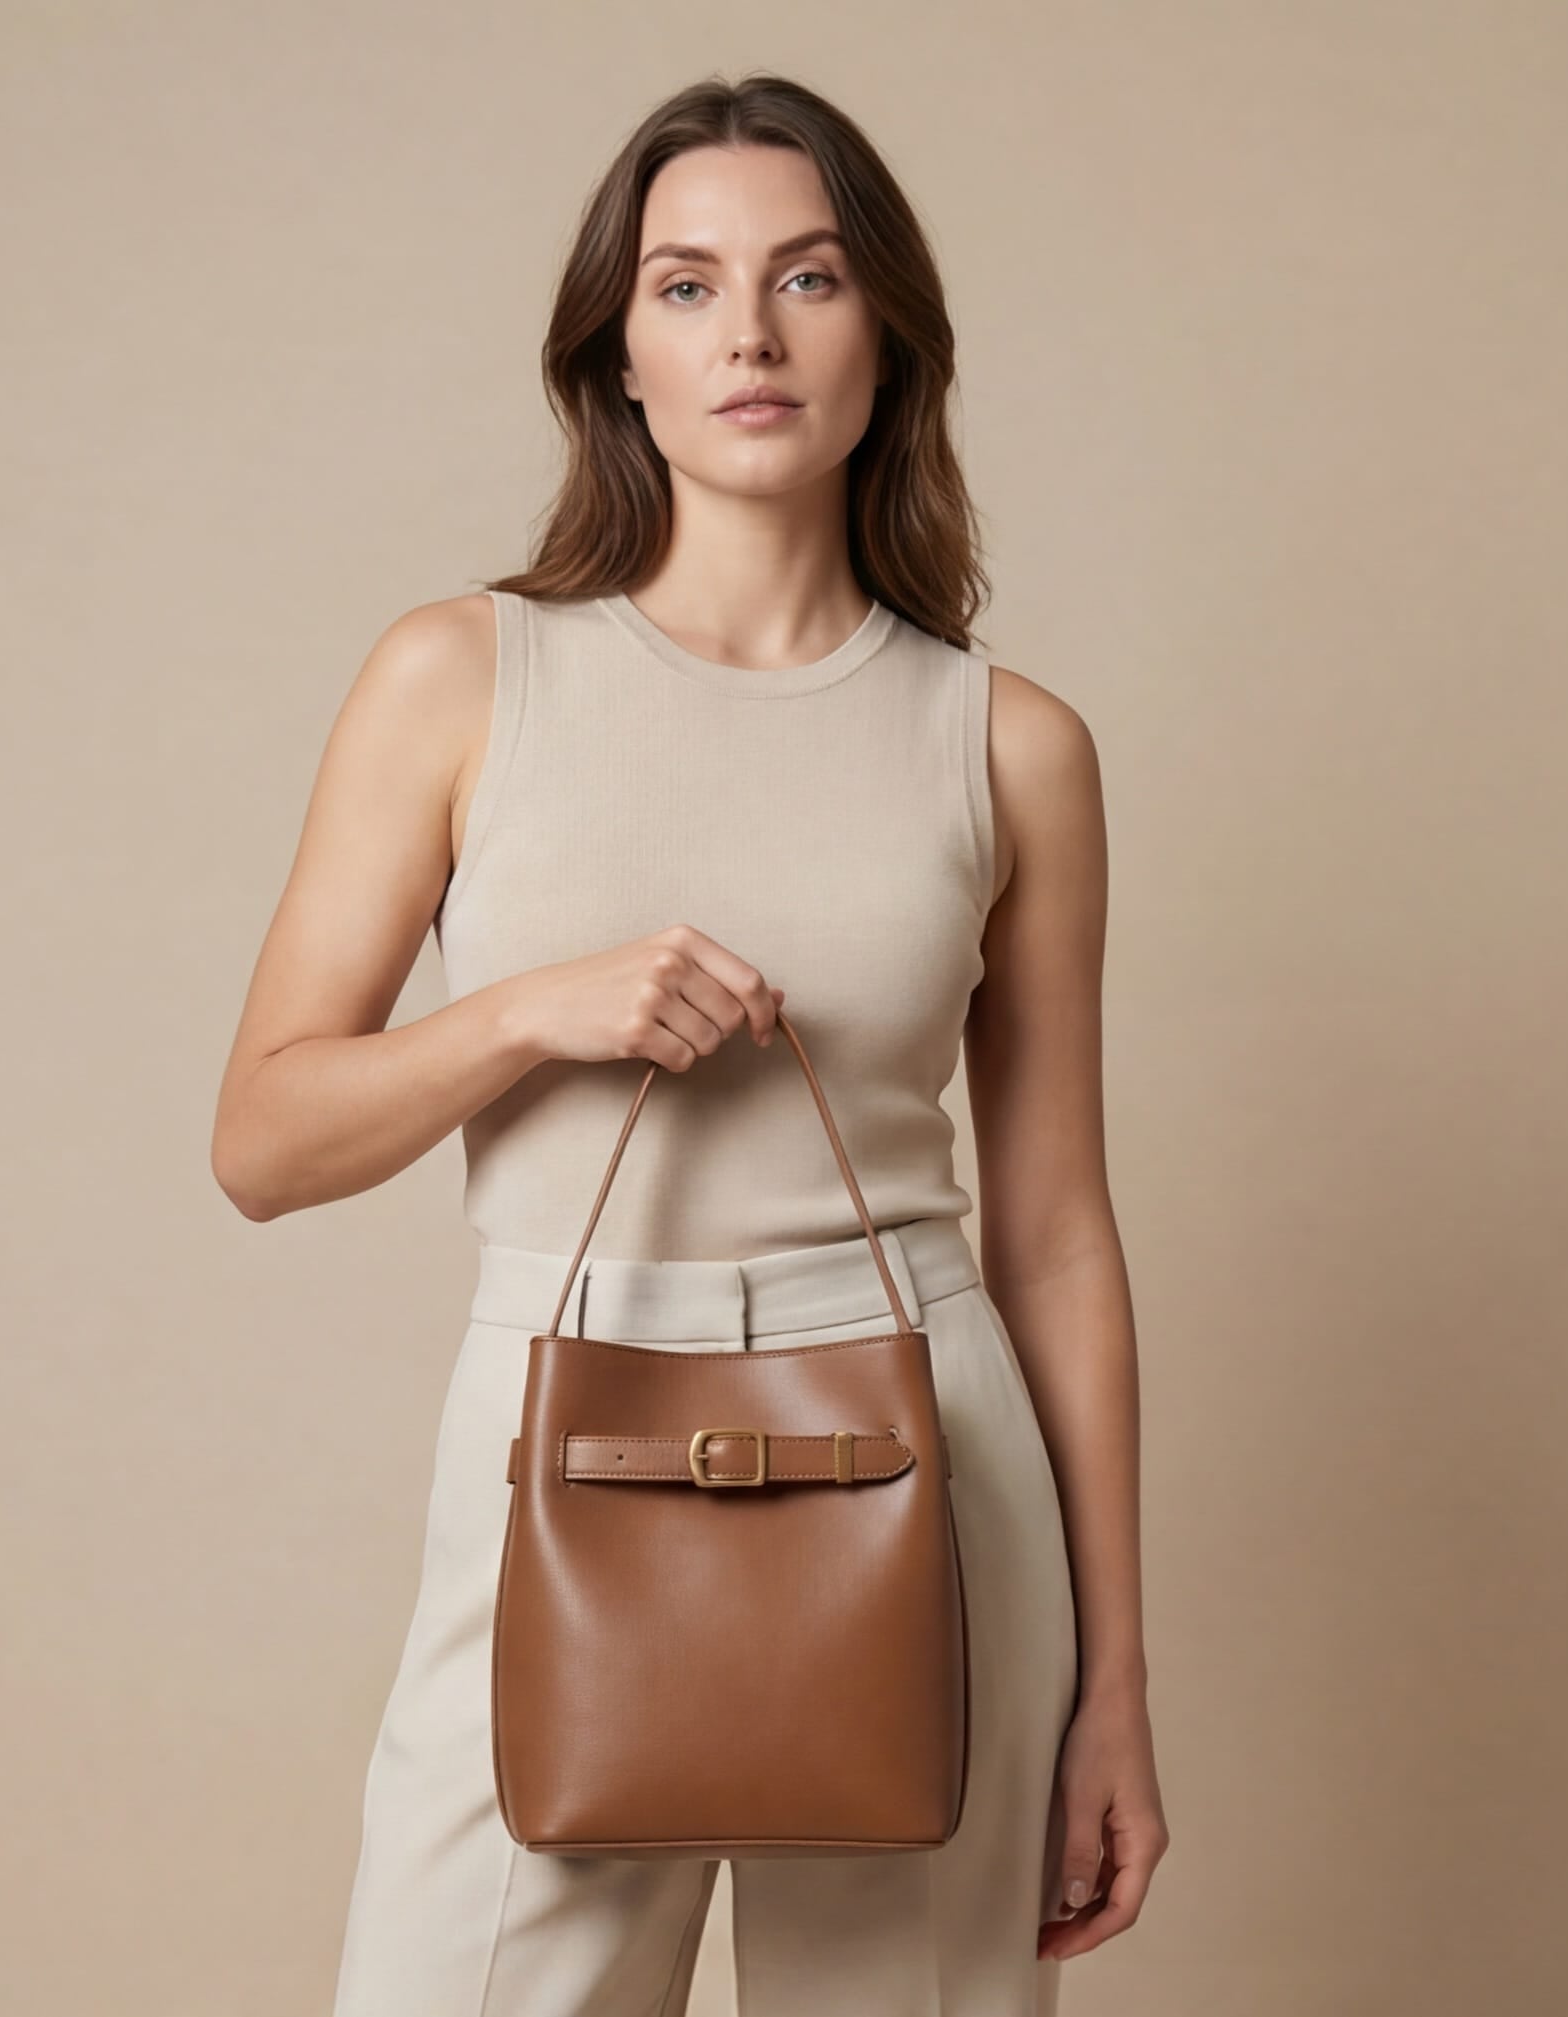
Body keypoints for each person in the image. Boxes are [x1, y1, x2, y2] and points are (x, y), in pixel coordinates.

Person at [211, 68, 1167, 2017]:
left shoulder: (1010, 747)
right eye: (682, 285)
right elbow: (263, 1141)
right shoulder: (458, 677)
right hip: (555, 1419)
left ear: (886, 335)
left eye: (805, 278)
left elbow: (1054, 1230)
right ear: (614, 357)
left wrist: (1109, 1689)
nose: (745, 332)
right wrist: (524, 1016)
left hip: (919, 1447)